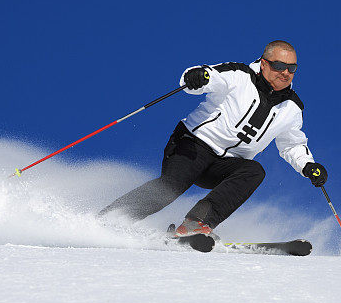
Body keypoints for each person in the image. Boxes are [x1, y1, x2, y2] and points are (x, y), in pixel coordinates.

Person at [99, 40, 327, 238]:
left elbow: (293, 144)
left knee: (254, 171)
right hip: (192, 145)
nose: (285, 73)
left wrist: (308, 166)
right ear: (265, 63)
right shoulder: (239, 75)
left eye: (292, 68)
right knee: (172, 186)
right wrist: (198, 77)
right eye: (279, 66)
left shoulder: (292, 108)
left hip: (225, 164)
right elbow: (210, 76)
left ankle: (195, 223)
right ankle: (108, 220)